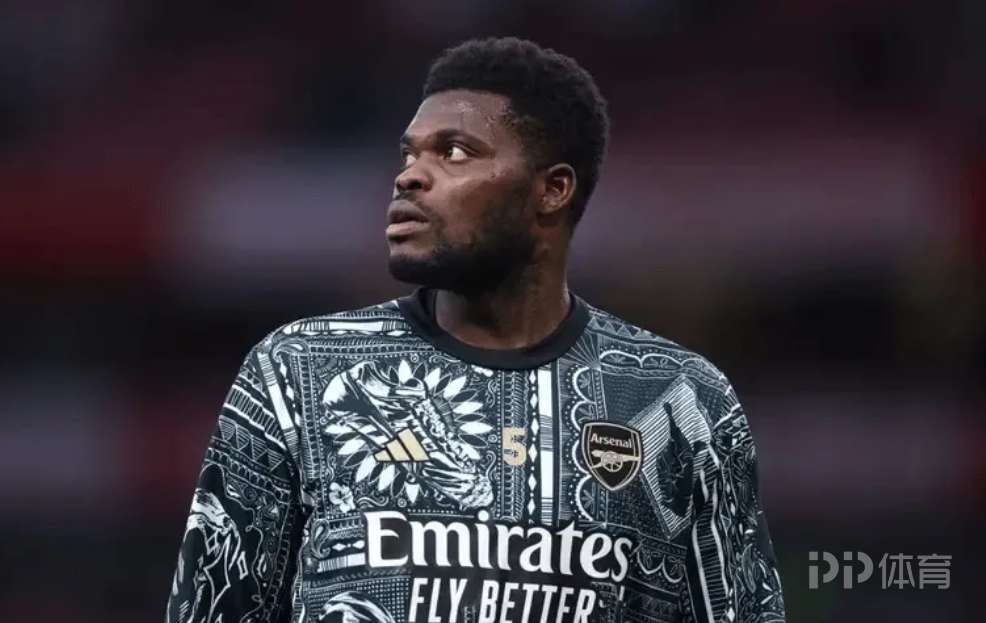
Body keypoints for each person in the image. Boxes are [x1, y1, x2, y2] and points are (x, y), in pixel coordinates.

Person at [165, 36, 786, 623]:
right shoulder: (298, 370)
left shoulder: (680, 398)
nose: (410, 176)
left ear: (552, 190)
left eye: (455, 152)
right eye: (409, 154)